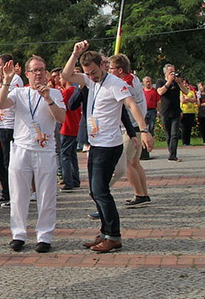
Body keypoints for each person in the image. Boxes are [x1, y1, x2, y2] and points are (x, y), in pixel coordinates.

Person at [62, 41, 153, 253]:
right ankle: (104, 232)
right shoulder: (91, 81)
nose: (91, 77)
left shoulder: (115, 83)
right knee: (95, 191)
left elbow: (131, 105)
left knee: (101, 191)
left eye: (94, 72)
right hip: (95, 143)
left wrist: (144, 130)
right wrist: (75, 54)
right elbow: (67, 76)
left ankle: (114, 235)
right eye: (88, 73)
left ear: (103, 65)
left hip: (109, 145)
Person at [0, 57, 66, 253]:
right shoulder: (19, 92)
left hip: (45, 150)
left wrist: (48, 99)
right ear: (27, 74)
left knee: (46, 195)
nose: (38, 74)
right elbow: (1, 104)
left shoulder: (55, 93)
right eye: (34, 70)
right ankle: (18, 234)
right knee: (18, 194)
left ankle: (44, 236)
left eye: (42, 70)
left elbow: (61, 118)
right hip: (22, 148)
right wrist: (6, 80)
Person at [107, 54, 151, 208]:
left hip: (131, 127)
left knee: (126, 163)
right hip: (136, 126)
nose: (109, 71)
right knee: (134, 162)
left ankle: (139, 194)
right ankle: (143, 193)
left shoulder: (125, 85)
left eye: (111, 68)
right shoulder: (133, 78)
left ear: (120, 70)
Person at [0, 54, 24, 206]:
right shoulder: (4, 81)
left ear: (7, 65)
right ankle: (7, 192)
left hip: (9, 126)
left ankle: (14, 194)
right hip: (0, 125)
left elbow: (9, 101)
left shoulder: (15, 80)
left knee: (8, 162)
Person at [156, 64, 189, 161]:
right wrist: (169, 81)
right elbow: (160, 92)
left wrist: (179, 83)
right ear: (166, 73)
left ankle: (173, 155)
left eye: (174, 72)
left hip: (176, 112)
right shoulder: (160, 81)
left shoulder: (176, 83)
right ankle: (171, 151)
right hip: (165, 112)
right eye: (171, 72)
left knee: (175, 134)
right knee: (168, 135)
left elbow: (186, 92)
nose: (173, 74)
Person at [58, 69, 82, 192]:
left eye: (61, 78)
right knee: (72, 155)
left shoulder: (67, 92)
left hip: (67, 126)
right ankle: (75, 179)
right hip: (75, 125)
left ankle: (68, 181)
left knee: (65, 154)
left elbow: (59, 105)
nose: (59, 80)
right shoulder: (75, 90)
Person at [141, 76, 160, 159]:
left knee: (150, 129)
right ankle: (143, 152)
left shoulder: (154, 91)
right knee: (143, 130)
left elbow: (158, 101)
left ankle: (148, 149)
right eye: (146, 82)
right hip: (144, 111)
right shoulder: (142, 92)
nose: (148, 83)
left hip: (152, 111)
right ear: (143, 83)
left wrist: (158, 111)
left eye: (149, 81)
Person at [179, 79, 198, 146]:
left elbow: (194, 100)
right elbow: (182, 100)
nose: (185, 85)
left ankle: (188, 142)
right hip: (184, 111)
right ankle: (184, 142)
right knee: (184, 127)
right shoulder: (181, 92)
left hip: (191, 111)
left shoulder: (191, 92)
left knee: (189, 127)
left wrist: (187, 98)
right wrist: (189, 99)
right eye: (183, 83)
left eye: (186, 83)